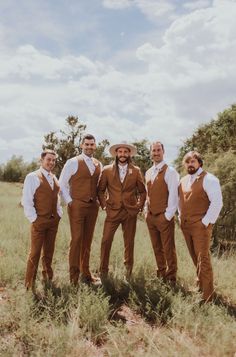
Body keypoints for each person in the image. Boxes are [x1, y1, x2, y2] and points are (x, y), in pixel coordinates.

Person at [98, 141, 146, 280]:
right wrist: (105, 206)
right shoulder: (106, 170)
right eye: (120, 152)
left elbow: (143, 191)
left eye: (125, 152)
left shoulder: (136, 170)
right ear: (116, 154)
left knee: (129, 243)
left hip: (130, 212)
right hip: (112, 211)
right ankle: (103, 272)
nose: (123, 154)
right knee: (106, 241)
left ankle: (128, 274)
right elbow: (100, 190)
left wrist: (138, 206)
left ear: (129, 154)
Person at [179, 151, 223, 302]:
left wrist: (205, 222)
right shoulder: (183, 180)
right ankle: (199, 286)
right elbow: (181, 201)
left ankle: (207, 296)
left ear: (199, 163)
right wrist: (180, 216)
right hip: (185, 225)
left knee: (203, 259)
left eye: (193, 161)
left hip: (200, 226)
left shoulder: (209, 179)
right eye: (188, 162)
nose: (190, 164)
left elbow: (217, 203)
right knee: (194, 257)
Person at [59, 134, 102, 285]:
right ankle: (73, 278)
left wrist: (98, 201)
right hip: (77, 205)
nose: (89, 147)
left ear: (95, 146)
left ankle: (86, 273)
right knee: (77, 239)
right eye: (87, 144)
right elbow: (62, 184)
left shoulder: (98, 164)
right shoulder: (73, 162)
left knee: (87, 240)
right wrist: (70, 202)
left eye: (92, 144)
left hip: (92, 207)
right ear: (82, 146)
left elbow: (98, 186)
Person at [22, 149, 62, 290]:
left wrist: (59, 213)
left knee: (49, 251)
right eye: (48, 159)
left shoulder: (54, 177)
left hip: (53, 222)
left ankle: (47, 278)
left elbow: (56, 197)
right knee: (35, 253)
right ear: (42, 160)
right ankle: (29, 285)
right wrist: (34, 219)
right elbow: (26, 201)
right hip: (40, 221)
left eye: (53, 160)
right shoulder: (32, 177)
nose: (51, 162)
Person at [145, 141, 179, 283]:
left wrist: (168, 216)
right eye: (154, 150)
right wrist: (146, 211)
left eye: (159, 150)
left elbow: (174, 195)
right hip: (151, 217)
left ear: (163, 152)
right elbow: (148, 194)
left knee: (168, 248)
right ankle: (161, 273)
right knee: (156, 247)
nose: (156, 153)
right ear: (151, 153)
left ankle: (171, 278)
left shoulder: (170, 171)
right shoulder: (148, 172)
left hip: (164, 217)